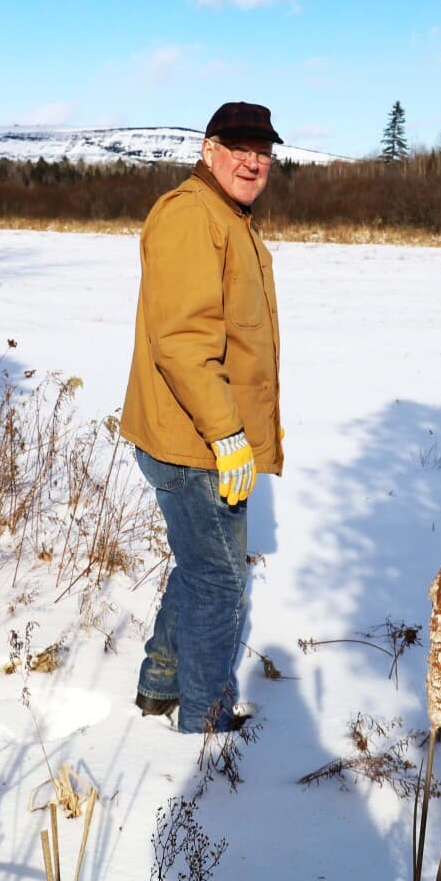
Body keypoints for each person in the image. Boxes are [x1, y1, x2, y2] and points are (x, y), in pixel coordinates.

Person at [120, 101, 284, 733]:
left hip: (203, 438)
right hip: (195, 444)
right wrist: (229, 435)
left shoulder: (228, 217)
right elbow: (183, 342)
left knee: (200, 569)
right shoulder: (193, 216)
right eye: (239, 148)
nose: (253, 161)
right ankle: (204, 723)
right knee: (219, 585)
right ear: (209, 149)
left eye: (264, 152)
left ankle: (160, 686)